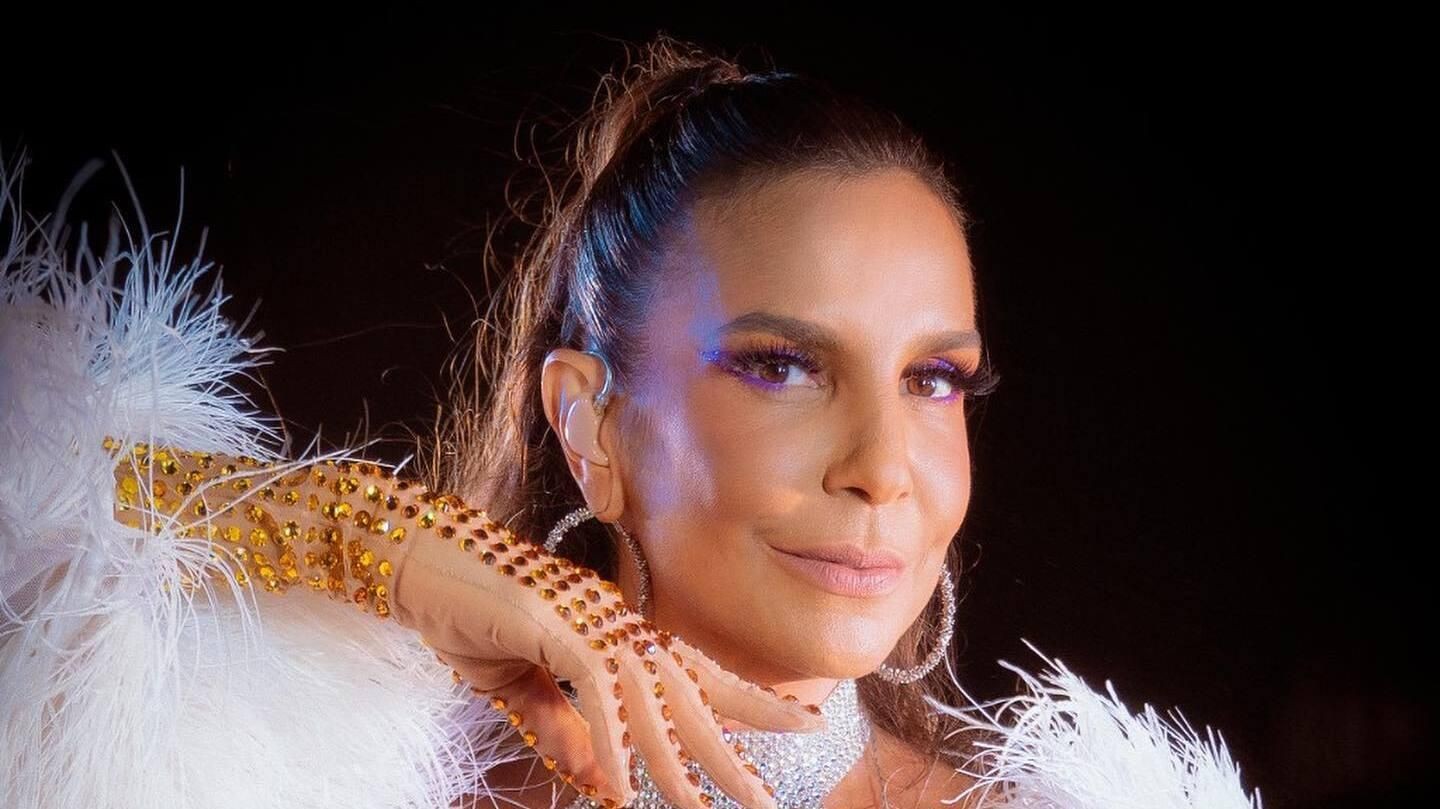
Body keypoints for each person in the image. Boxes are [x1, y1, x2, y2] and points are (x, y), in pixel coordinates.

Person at [0, 33, 1262, 809]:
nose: (886, 468)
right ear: (589, 425)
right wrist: (365, 533)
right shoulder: (336, 781)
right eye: (782, 366)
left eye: (935, 378)